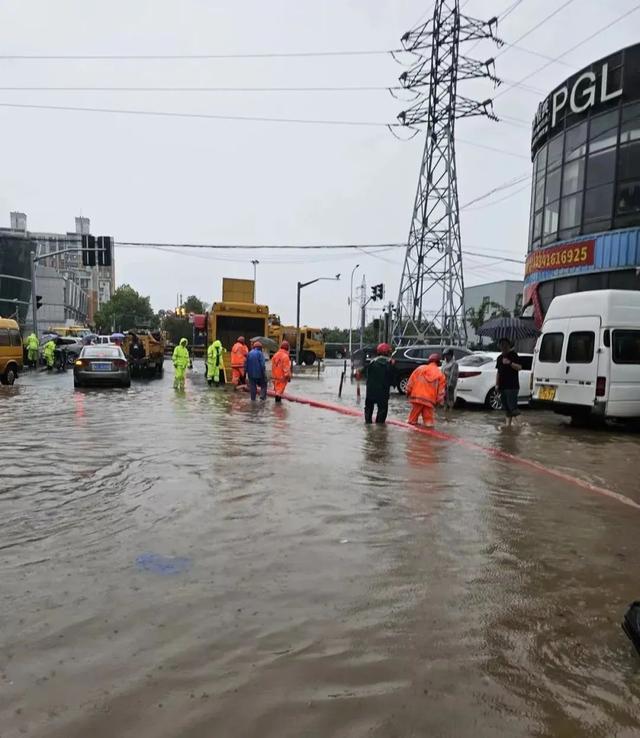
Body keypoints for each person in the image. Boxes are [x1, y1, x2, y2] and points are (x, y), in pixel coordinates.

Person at [406, 353, 445, 428]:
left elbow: (411, 381)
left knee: (411, 422)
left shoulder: (420, 369)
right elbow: (441, 392)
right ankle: (428, 437)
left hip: (417, 399)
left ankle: (412, 437)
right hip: (429, 401)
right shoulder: (440, 374)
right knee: (429, 424)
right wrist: (439, 402)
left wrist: (408, 392)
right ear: (438, 362)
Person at [363, 342, 394, 424]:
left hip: (370, 392)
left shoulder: (372, 362)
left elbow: (363, 373)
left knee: (368, 409)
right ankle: (380, 430)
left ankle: (368, 426)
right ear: (387, 353)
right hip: (383, 392)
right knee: (382, 411)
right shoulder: (389, 364)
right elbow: (392, 378)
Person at [495, 337, 522, 427]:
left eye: (505, 345)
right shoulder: (499, 358)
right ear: (499, 346)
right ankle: (508, 426)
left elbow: (519, 367)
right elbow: (498, 372)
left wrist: (509, 363)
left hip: (512, 386)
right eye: (502, 345)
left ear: (509, 345)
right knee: (507, 409)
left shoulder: (514, 355)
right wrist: (497, 384)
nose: (503, 347)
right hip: (502, 386)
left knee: (513, 408)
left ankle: (520, 425)